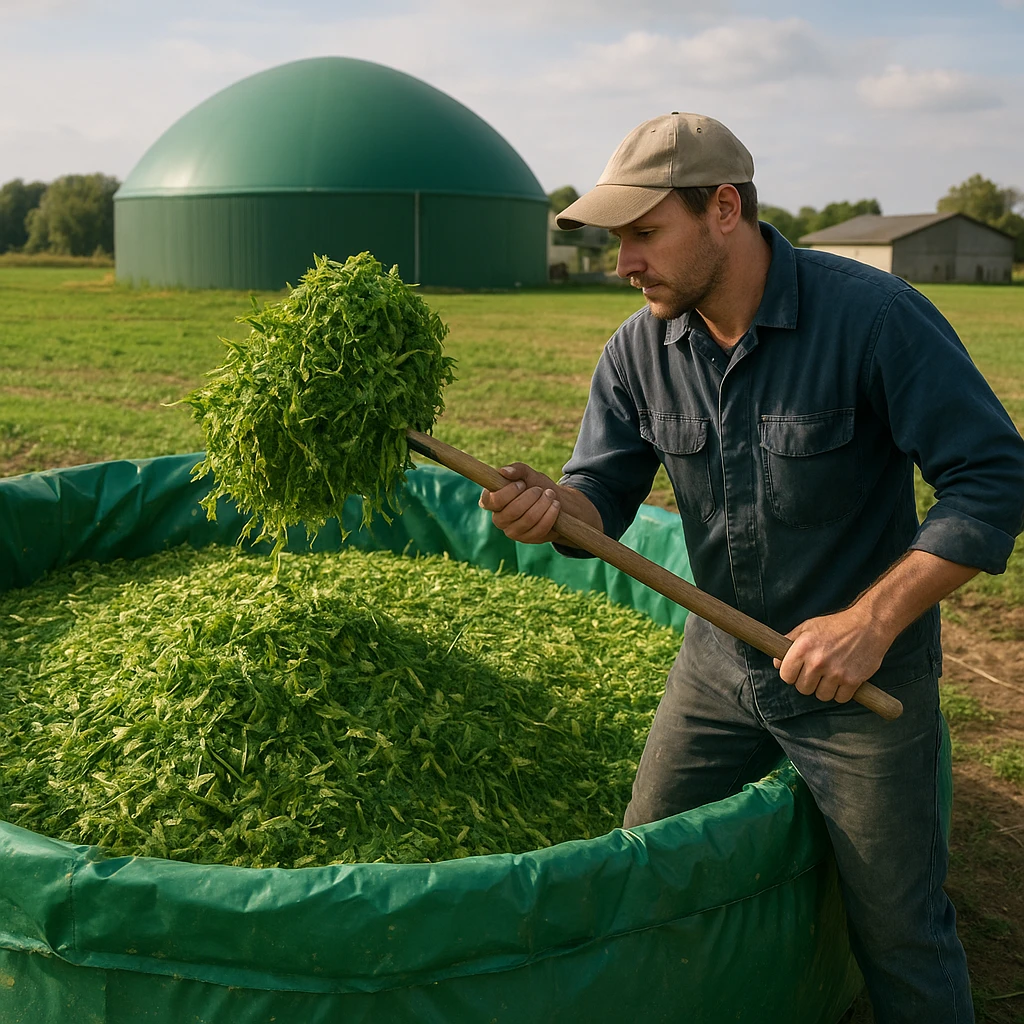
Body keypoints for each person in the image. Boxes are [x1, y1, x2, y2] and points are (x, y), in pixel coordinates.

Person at [479, 112, 1024, 1023]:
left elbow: (994, 476)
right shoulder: (638, 351)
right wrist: (550, 514)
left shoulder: (872, 319)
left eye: (645, 235)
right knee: (643, 870)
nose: (625, 264)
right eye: (619, 241)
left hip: (862, 687)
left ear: (723, 208)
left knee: (898, 931)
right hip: (718, 669)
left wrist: (871, 623)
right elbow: (595, 505)